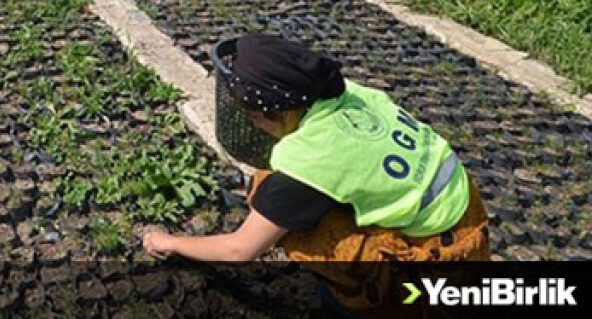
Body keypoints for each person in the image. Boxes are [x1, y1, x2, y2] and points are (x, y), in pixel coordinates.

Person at [141, 35, 489, 316]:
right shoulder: (348, 94)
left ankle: (374, 303)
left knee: (293, 225)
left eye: (252, 114)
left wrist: (168, 242)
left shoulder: (310, 158)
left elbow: (240, 249)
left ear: (271, 113)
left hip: (443, 256)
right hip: (463, 205)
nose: (252, 122)